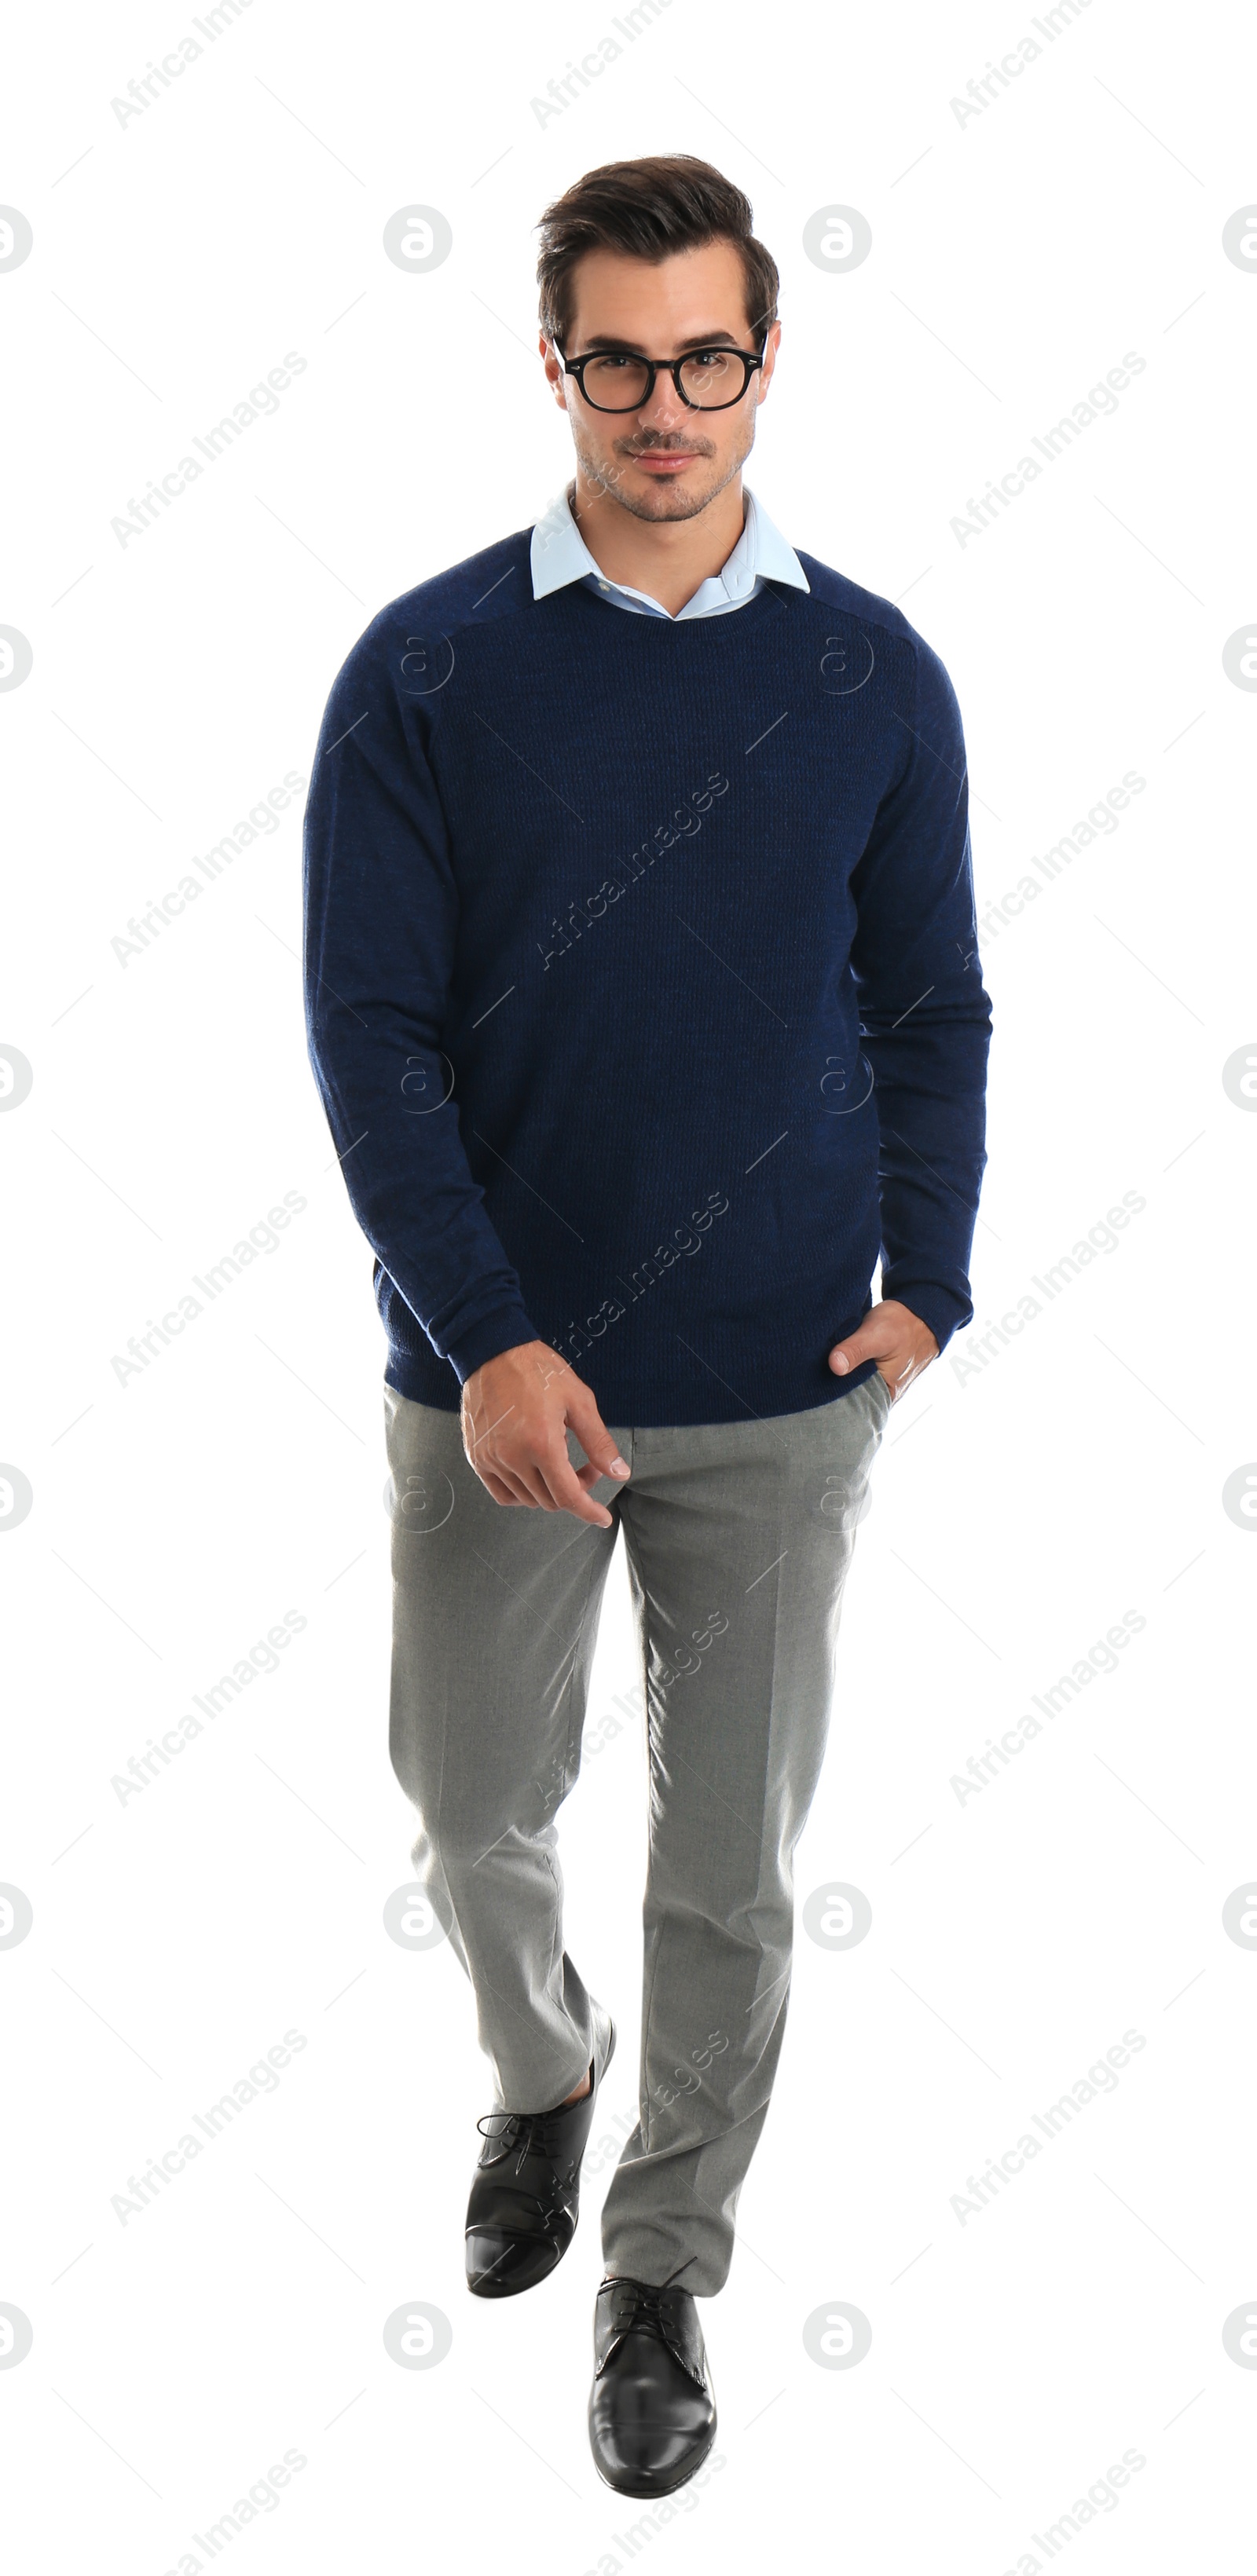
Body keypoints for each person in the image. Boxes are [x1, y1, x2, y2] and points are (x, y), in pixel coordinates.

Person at [302, 152, 992, 2499]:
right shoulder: (429, 667)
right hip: (489, 1385)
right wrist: (487, 1335)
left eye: (712, 356)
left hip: (788, 1384)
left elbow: (934, 1002)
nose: (669, 403)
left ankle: (662, 2264)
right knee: (471, 1805)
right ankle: (538, 2076)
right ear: (556, 364)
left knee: (731, 1870)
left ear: (766, 360)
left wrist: (936, 1280)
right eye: (624, 357)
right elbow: (371, 1032)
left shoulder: (872, 671)